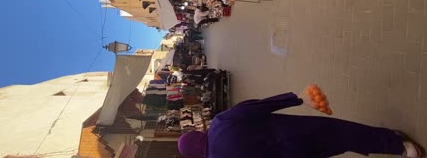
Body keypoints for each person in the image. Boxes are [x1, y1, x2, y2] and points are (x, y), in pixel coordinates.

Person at [178, 92, 424, 158]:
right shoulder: (221, 123)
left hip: (297, 154)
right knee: (344, 133)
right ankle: (399, 145)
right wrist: (296, 99)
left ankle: (396, 145)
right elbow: (257, 107)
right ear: (197, 134)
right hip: (295, 132)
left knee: (339, 145)